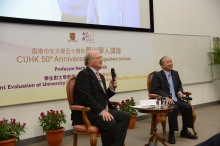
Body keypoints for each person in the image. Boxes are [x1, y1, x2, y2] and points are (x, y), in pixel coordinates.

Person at [71, 50, 130, 146]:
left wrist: (111, 89)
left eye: (101, 57)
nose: (101, 59)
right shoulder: (84, 74)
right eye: (98, 58)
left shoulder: (100, 76)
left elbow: (101, 97)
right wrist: (102, 111)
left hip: (101, 108)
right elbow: (86, 97)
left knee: (125, 117)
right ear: (90, 62)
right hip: (88, 112)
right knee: (110, 123)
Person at [151, 56, 198, 144]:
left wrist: (180, 91)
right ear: (162, 66)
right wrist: (166, 97)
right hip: (165, 100)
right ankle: (171, 133)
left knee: (188, 107)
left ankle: (184, 131)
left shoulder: (175, 73)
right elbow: (156, 89)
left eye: (171, 61)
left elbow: (179, 85)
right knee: (174, 108)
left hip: (176, 99)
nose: (170, 63)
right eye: (167, 62)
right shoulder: (157, 75)